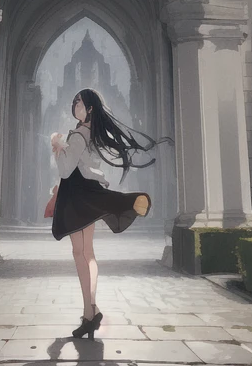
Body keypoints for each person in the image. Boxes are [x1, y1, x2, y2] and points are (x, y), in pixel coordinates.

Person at [49, 88, 172, 340]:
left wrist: (56, 148)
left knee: (79, 253)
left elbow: (64, 170)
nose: (75, 105)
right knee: (87, 252)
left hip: (76, 195)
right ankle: (91, 310)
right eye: (74, 102)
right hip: (88, 191)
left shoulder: (78, 135)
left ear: (90, 107)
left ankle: (89, 313)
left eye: (79, 102)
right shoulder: (92, 134)